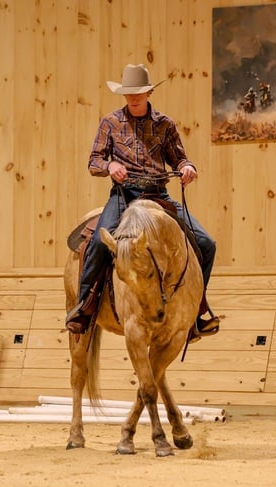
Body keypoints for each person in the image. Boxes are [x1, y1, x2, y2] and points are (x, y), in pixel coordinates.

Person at [65, 63, 219, 342]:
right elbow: (94, 161)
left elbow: (179, 159)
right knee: (99, 242)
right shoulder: (110, 122)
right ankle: (85, 306)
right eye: (129, 93)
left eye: (138, 92)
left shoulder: (165, 124)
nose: (133, 97)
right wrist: (110, 166)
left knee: (206, 243)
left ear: (149, 92)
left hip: (158, 196)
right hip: (124, 196)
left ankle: (195, 310)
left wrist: (187, 168)